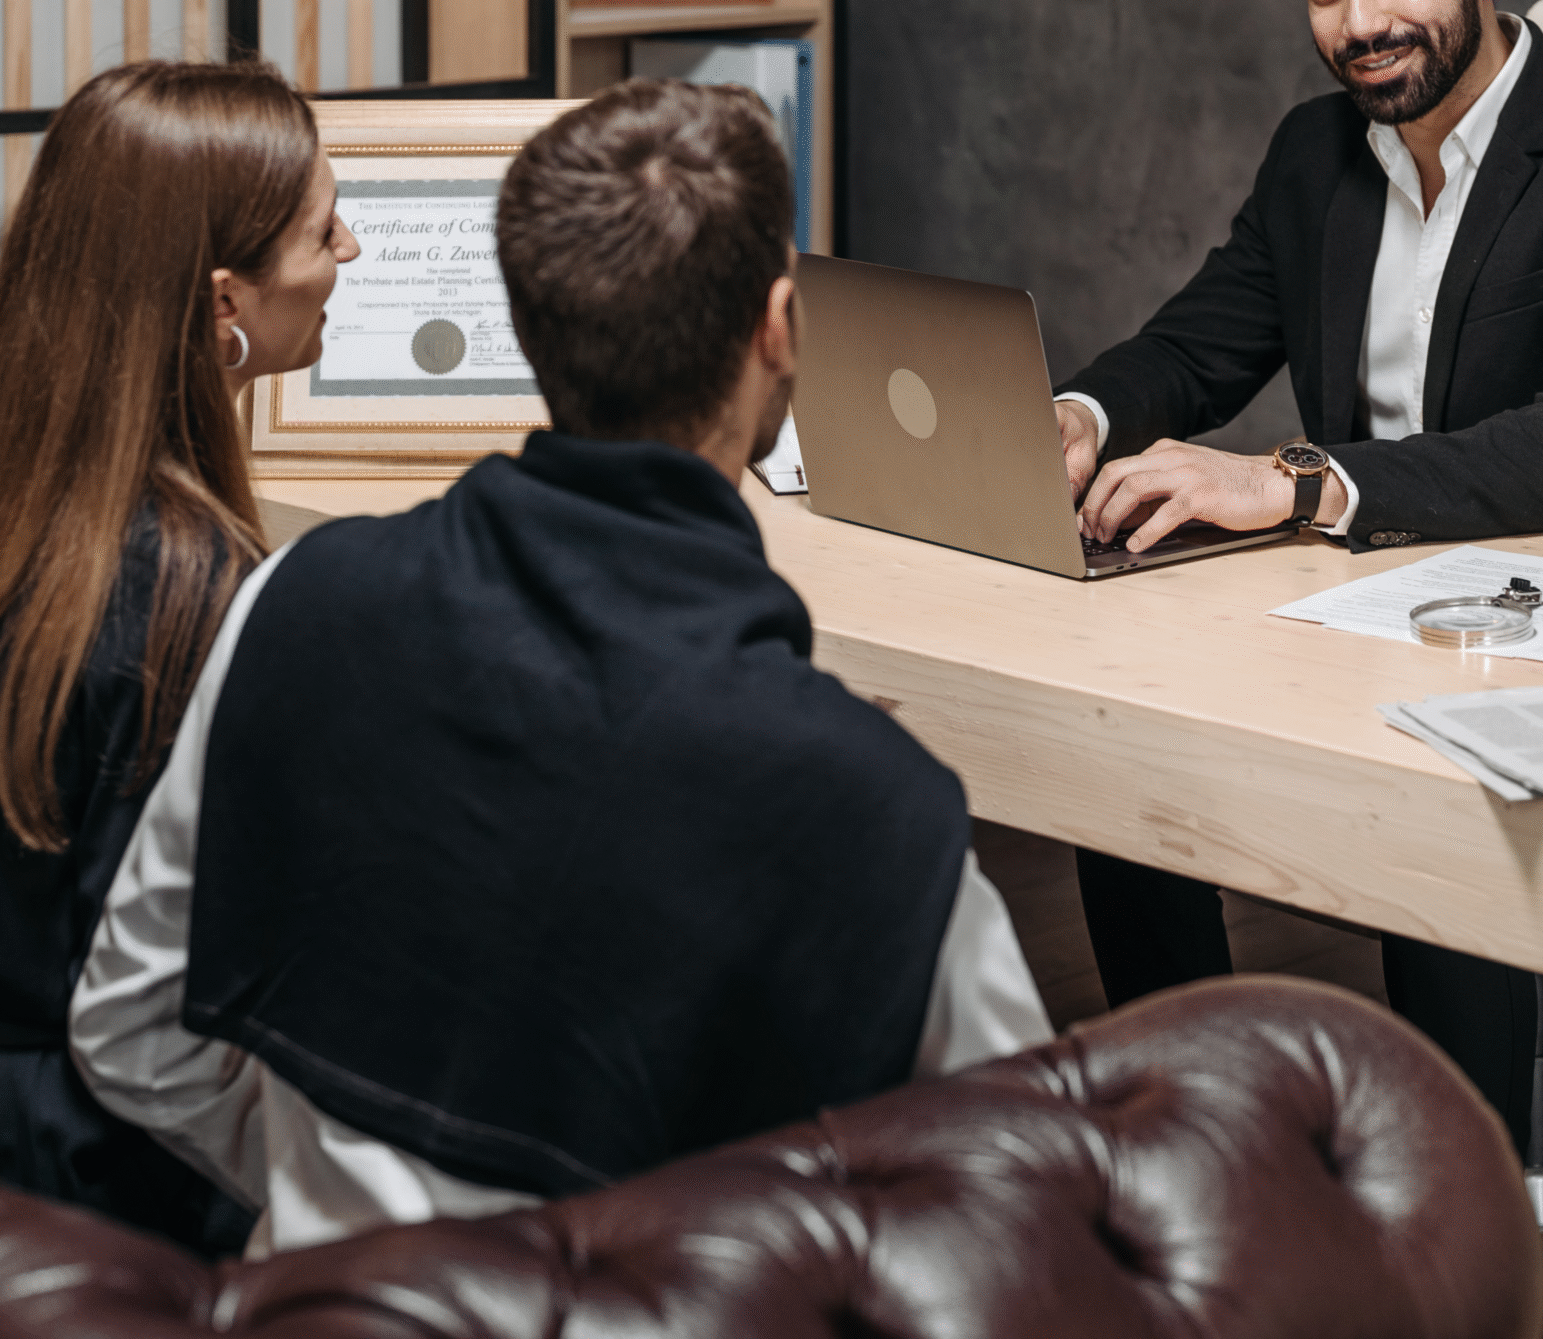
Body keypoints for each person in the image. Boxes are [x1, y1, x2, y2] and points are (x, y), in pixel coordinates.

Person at [69, 78, 1053, 1257]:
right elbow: (1015, 1216)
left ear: (529, 329)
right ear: (780, 327)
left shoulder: (295, 600)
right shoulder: (874, 804)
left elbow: (128, 1028)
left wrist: (340, 1195)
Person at [1049, 0, 1543, 1150]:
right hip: (1387, 595)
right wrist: (1077, 415)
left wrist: (1295, 480)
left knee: (1442, 758)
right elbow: (1197, 344)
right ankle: (1200, 1129)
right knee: (1117, 731)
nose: (1358, 22)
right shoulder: (1319, 157)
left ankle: (1456, 1192)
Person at [0, 59, 359, 1255]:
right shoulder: (199, 592)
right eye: (323, 227)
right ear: (223, 306)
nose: (349, 251)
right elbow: (189, 1010)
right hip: (67, 1180)